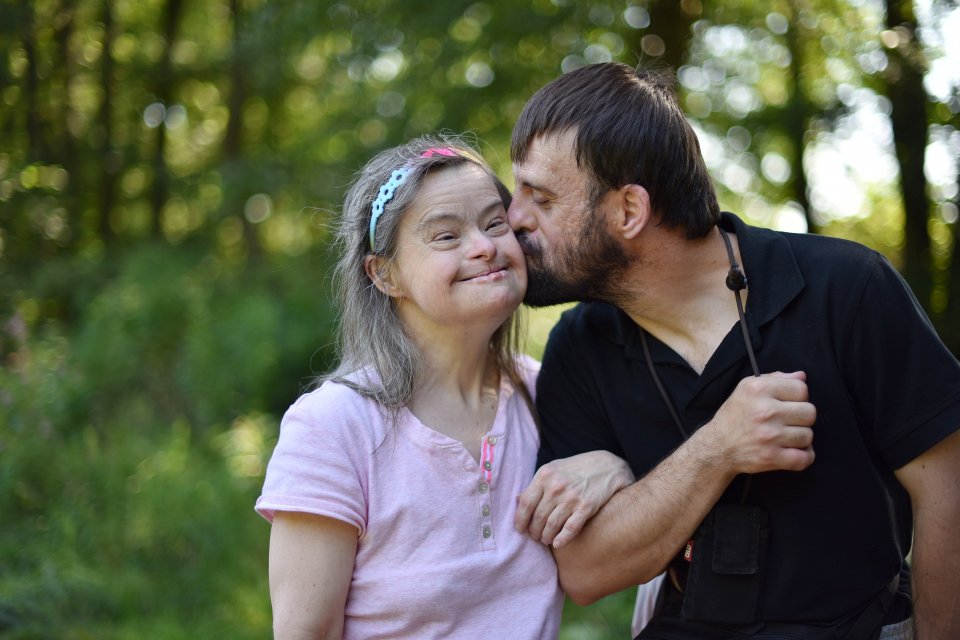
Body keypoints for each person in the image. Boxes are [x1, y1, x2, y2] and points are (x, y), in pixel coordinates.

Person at [508, 62, 960, 640]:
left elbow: (947, 489)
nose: (513, 219)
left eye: (541, 198)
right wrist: (718, 448)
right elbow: (586, 572)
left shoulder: (847, 288)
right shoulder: (578, 346)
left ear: (628, 212)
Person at [255, 134, 630, 639]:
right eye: (446, 236)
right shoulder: (334, 426)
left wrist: (616, 466)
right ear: (385, 274)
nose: (485, 247)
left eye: (495, 224)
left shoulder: (550, 394)